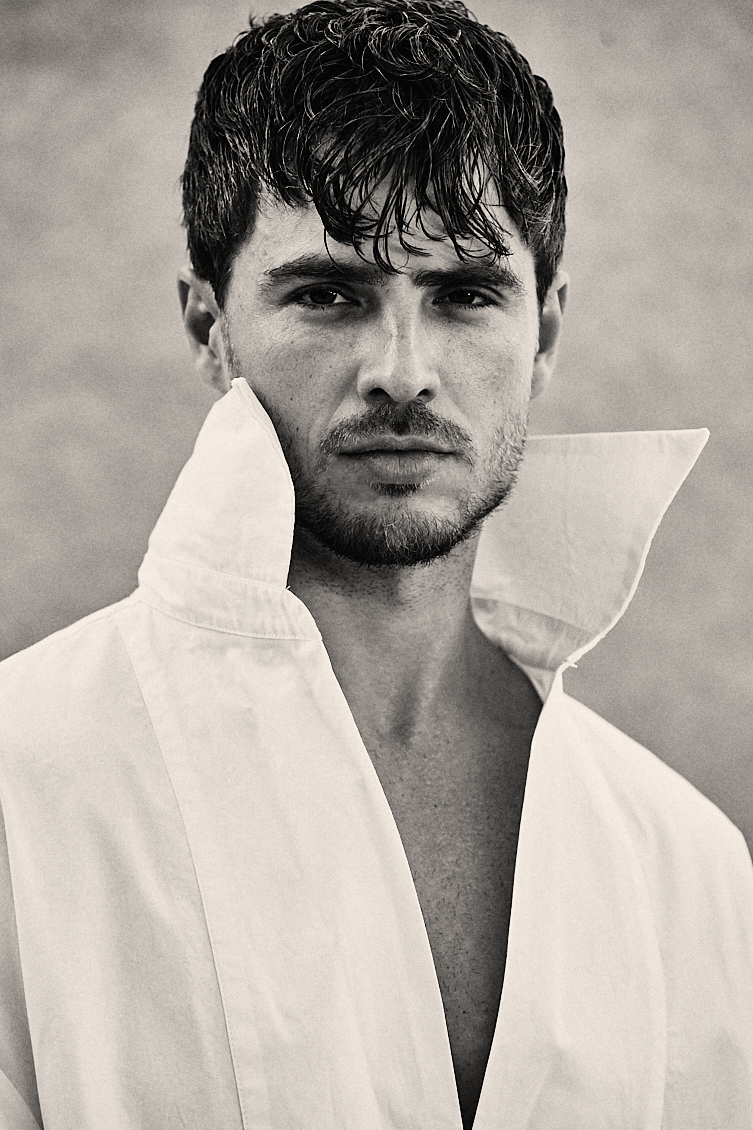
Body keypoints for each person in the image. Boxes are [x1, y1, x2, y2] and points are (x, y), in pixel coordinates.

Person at [0, 0, 751, 1126]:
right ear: (208, 326)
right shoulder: (24, 785)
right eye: (327, 294)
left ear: (543, 333)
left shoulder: (683, 862)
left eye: (464, 295)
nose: (403, 371)